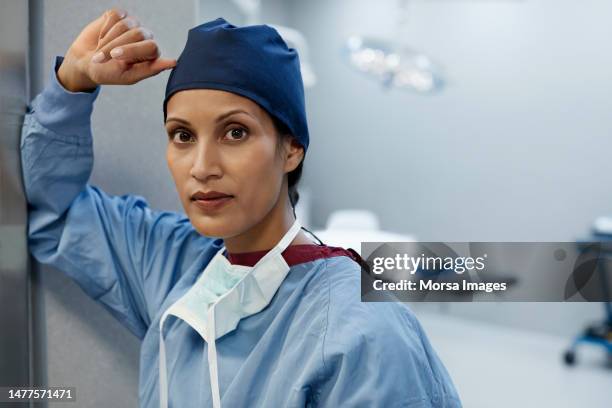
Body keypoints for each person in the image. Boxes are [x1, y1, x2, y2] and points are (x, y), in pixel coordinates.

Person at [21, 8, 462, 408]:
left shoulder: (364, 331)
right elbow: (50, 207)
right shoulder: (171, 266)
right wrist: (73, 85)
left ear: (291, 149)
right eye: (183, 135)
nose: (202, 167)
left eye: (235, 133)